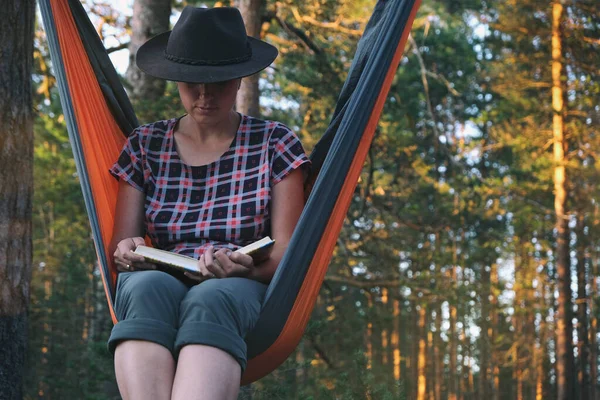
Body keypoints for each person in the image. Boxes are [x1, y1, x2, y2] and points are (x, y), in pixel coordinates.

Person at [107, 6, 310, 400]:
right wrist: (128, 251)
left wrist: (242, 271)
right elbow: (121, 247)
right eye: (192, 82)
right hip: (160, 276)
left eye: (217, 81)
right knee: (144, 286)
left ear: (239, 78)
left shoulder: (275, 144)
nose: (204, 95)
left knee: (211, 296)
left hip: (238, 283)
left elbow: (289, 251)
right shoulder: (145, 145)